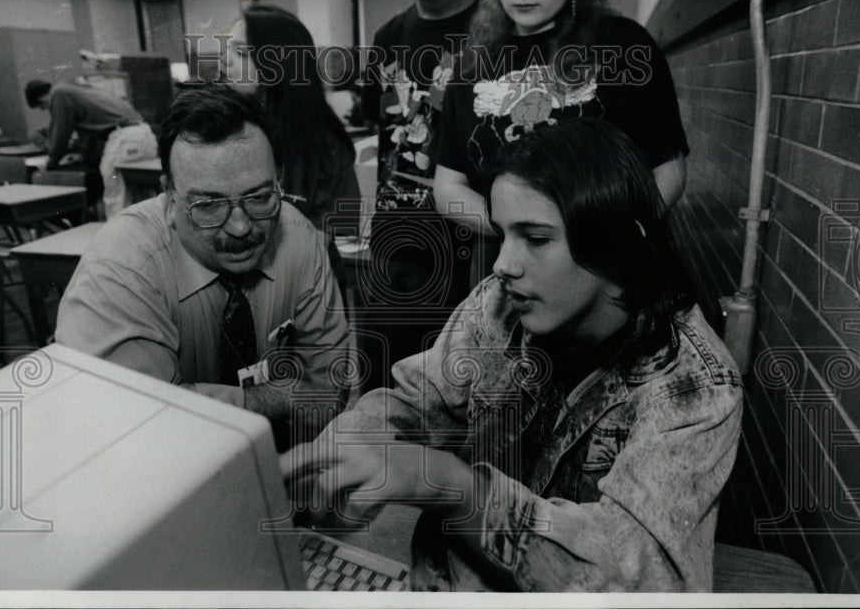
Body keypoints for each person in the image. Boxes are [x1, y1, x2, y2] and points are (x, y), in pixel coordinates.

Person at [283, 118, 742, 592]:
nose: (503, 264)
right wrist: (338, 457)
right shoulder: (498, 305)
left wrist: (453, 487)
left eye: (536, 239)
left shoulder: (697, 390)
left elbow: (638, 576)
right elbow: (417, 400)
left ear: (620, 242)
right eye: (503, 234)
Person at [55, 85, 350, 442]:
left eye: (259, 197)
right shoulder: (122, 267)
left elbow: (326, 390)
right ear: (168, 197)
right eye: (208, 205)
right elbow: (132, 423)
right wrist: (277, 397)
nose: (240, 227)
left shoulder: (300, 238)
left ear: (279, 183)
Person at [432, 0, 689, 282]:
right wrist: (521, 231)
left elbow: (668, 168)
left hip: (609, 274)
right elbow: (448, 186)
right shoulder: (472, 67)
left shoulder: (623, 46)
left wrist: (610, 238)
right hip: (505, 275)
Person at [357, 0, 484, 389]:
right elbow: (385, 137)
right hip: (395, 245)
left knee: (454, 402)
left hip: (470, 252)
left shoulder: (494, 30)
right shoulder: (388, 38)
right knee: (380, 389)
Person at [221, 4, 361, 293]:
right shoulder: (225, 130)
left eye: (241, 52)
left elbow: (336, 226)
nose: (225, 62)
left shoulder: (325, 144)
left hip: (306, 291)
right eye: (226, 50)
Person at [24, 79, 158, 217]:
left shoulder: (59, 94)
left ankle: (118, 235)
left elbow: (60, 135)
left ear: (41, 97)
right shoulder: (77, 88)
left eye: (43, 107)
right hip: (144, 134)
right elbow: (93, 131)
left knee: (116, 195)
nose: (47, 110)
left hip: (124, 137)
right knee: (141, 195)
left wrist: (51, 164)